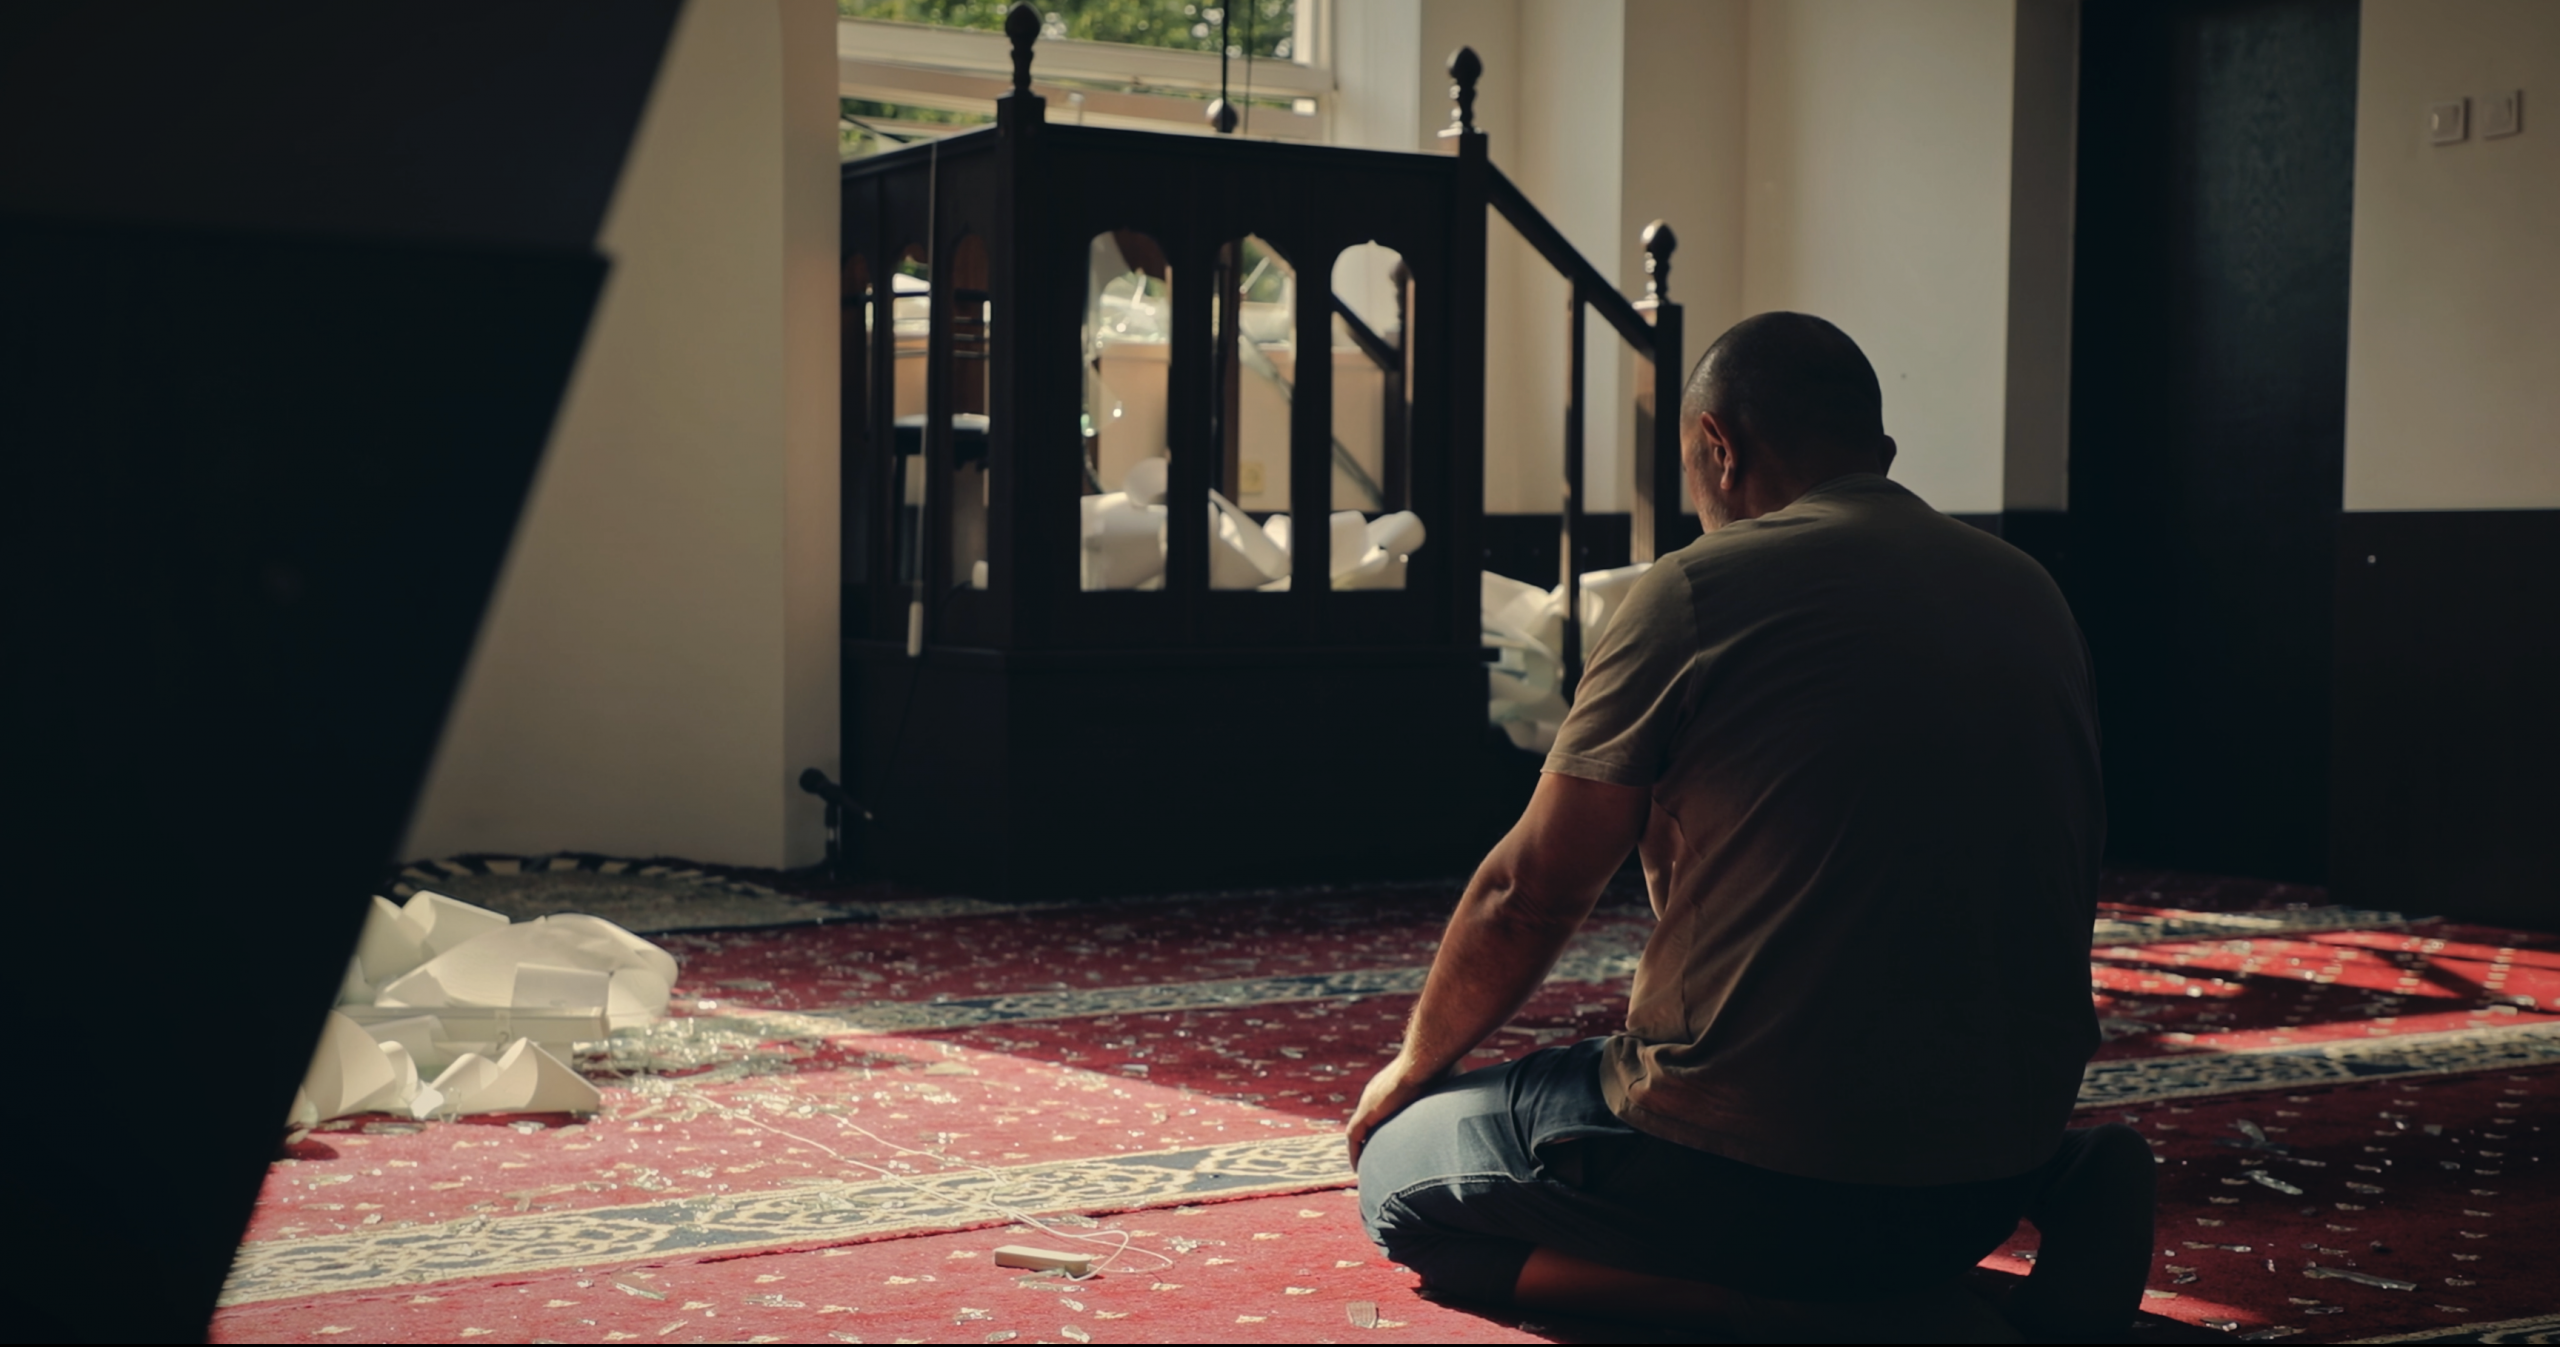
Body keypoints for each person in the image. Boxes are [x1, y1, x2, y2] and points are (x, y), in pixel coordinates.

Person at [1348, 313, 2152, 1341]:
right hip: (1988, 1167)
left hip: (1759, 1175)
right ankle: (2063, 1184)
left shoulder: (1694, 589)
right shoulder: (2032, 591)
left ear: (1717, 448)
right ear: (1881, 459)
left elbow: (1530, 890)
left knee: (1405, 1182)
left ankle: (1843, 1317)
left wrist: (1413, 1066)